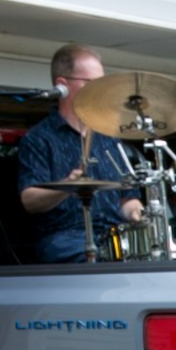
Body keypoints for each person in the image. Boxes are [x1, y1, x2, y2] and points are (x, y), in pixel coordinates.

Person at [17, 43, 144, 263]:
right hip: (65, 239)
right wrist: (67, 186)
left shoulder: (109, 138)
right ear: (62, 85)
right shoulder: (39, 138)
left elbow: (127, 198)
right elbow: (30, 200)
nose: (99, 90)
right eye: (91, 83)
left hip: (114, 237)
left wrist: (137, 214)